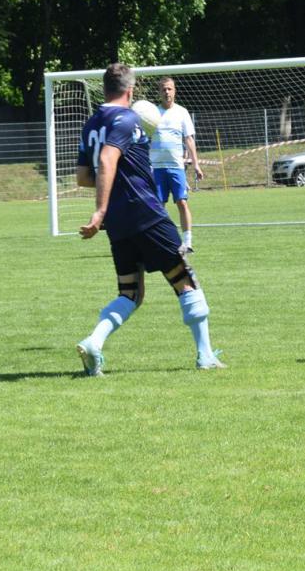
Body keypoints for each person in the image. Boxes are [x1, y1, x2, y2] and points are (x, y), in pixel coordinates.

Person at [75, 63, 222, 375]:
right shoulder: (128, 118)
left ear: (105, 89)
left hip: (119, 223)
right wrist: (99, 210)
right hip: (146, 213)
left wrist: (111, 195)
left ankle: (94, 342)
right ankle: (205, 355)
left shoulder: (90, 125)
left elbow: (84, 177)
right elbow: (107, 160)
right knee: (184, 279)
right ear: (130, 91)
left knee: (130, 292)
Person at [150, 76, 204, 254]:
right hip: (157, 168)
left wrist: (196, 165)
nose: (167, 92)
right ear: (159, 92)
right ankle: (159, 241)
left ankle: (187, 242)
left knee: (182, 202)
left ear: (174, 91)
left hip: (176, 167)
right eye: (163, 89)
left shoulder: (182, 112)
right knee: (158, 207)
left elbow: (189, 139)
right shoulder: (152, 114)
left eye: (169, 89)